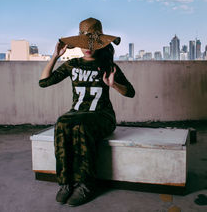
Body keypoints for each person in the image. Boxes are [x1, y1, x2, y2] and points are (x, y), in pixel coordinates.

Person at [39, 17, 135, 206]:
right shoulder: (73, 64)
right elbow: (44, 82)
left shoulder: (108, 65)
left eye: (92, 43)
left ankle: (86, 184)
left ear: (100, 44)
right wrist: (55, 56)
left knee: (81, 127)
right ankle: (66, 182)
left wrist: (113, 84)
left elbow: (130, 92)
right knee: (62, 122)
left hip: (102, 116)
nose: (87, 47)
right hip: (76, 113)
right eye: (84, 43)